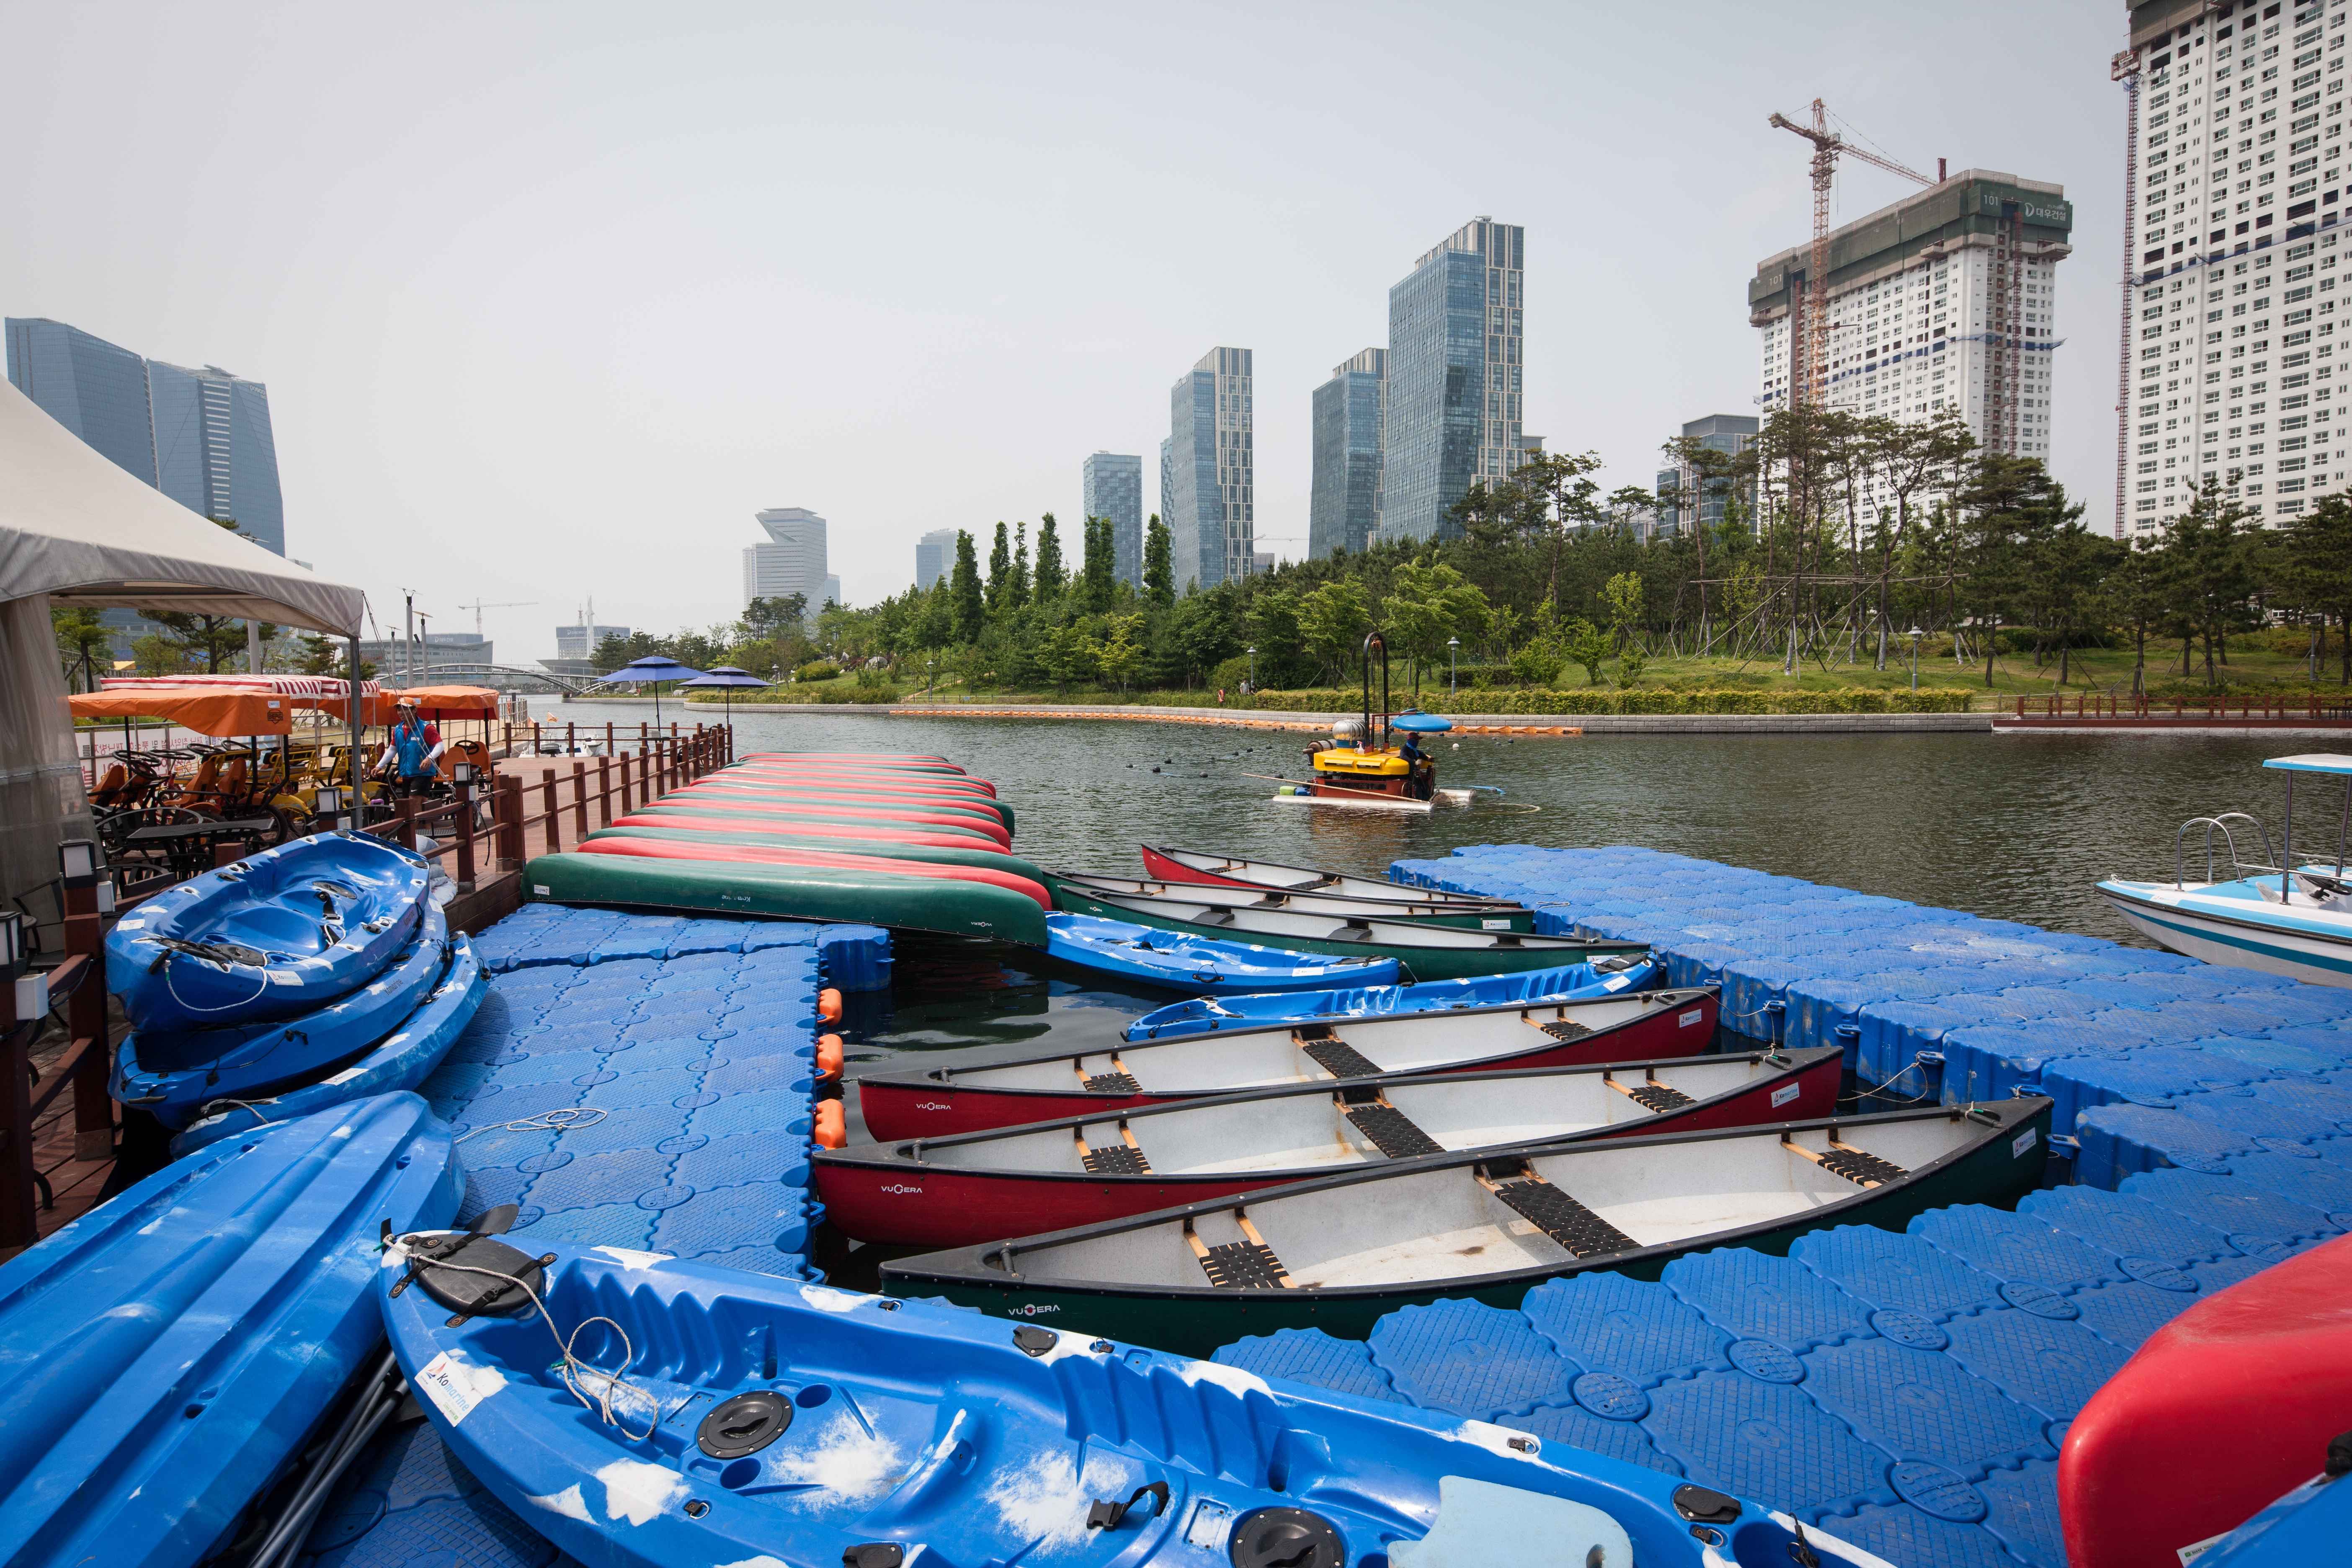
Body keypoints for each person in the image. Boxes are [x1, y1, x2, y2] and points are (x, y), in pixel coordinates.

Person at [377, 699, 446, 797]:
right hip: (406, 774)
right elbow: (392, 749)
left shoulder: (426, 728)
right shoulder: (397, 730)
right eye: (399, 710)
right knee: (409, 805)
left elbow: (440, 745)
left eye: (405, 709)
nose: (401, 712)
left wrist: (429, 759)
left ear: (414, 710)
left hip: (422, 773)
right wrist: (379, 766)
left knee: (414, 802)